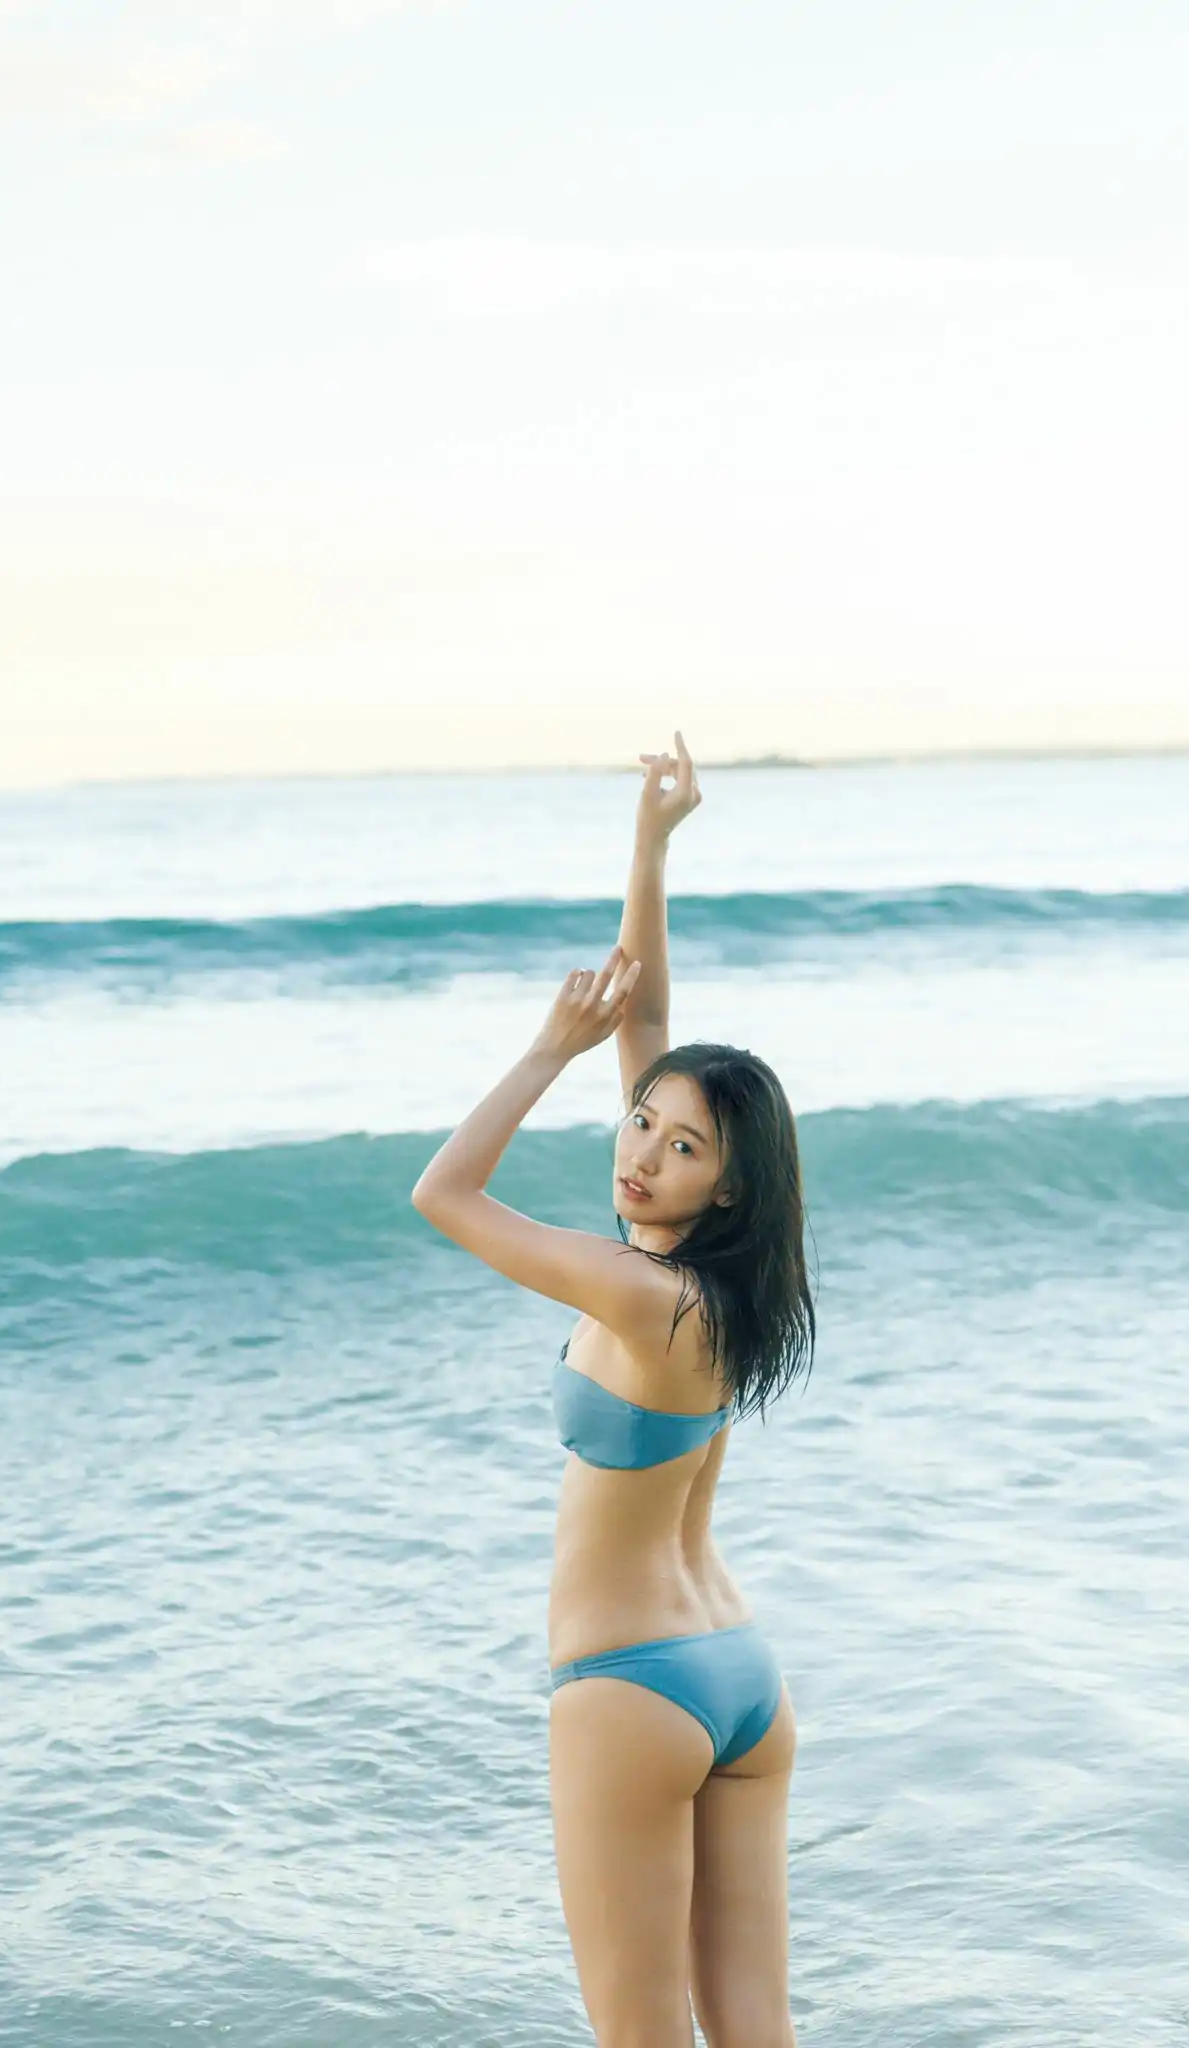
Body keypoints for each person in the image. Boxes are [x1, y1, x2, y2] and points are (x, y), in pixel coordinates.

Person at [411, 732, 815, 2047]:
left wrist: (545, 1049)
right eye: (641, 1122)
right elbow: (647, 1031)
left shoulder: (641, 1294)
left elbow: (445, 1194)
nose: (640, 1151)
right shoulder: (722, 1290)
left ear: (727, 1184)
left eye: (680, 1146)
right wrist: (651, 844)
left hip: (633, 1685)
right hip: (738, 1675)